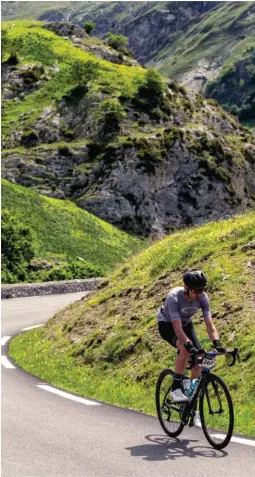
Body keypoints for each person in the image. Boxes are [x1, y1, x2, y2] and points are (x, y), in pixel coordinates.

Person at [156, 269, 225, 408]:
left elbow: (209, 325)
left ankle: (190, 405)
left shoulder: (203, 298)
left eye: (202, 289)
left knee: (199, 361)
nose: (199, 294)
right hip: (167, 325)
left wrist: (217, 343)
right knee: (185, 349)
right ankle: (176, 388)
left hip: (186, 324)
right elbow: (177, 329)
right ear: (186, 288)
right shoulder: (173, 297)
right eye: (196, 291)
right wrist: (188, 345)